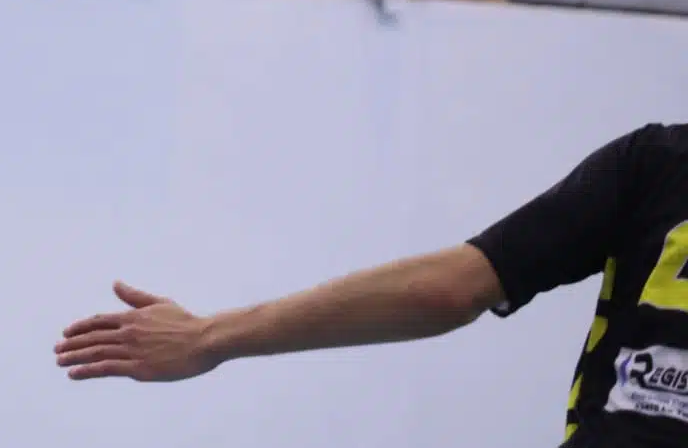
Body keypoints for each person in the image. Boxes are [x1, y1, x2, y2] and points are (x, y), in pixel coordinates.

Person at [53, 122, 688, 444]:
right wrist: (207, 337)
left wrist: (209, 337)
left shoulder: (660, 165)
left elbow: (453, 288)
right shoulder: (654, 167)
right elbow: (450, 288)